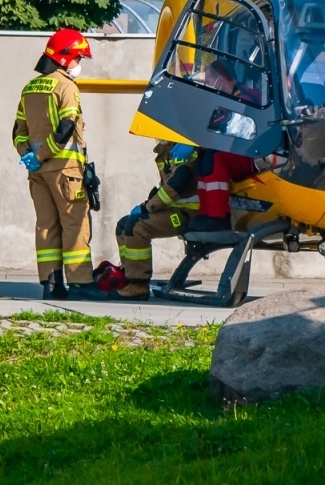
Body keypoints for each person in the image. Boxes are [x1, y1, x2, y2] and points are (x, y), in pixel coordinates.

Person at [14, 28, 99, 300]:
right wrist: (42, 155)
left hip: (38, 174)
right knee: (75, 224)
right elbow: (65, 127)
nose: (79, 65)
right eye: (78, 58)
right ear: (64, 58)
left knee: (47, 225)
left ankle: (51, 284)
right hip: (65, 172)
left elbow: (18, 131)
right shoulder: (66, 87)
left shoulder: (30, 87)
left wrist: (29, 156)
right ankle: (80, 283)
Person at [114, 141, 199, 300]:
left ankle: (138, 284)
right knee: (123, 225)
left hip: (189, 214)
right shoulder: (166, 151)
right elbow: (165, 186)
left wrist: (148, 208)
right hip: (173, 209)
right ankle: (128, 274)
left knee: (137, 226)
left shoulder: (189, 149)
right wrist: (145, 205)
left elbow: (175, 186)